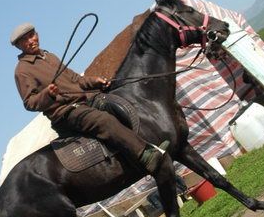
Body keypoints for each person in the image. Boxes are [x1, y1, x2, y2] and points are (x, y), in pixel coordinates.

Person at [11, 22, 169, 175]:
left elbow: (75, 79)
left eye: (32, 35)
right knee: (104, 121)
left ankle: (146, 143)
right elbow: (29, 103)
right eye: (25, 40)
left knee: (120, 100)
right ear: (19, 46)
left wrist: (95, 80)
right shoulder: (22, 70)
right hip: (66, 113)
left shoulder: (50, 56)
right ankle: (145, 156)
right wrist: (47, 94)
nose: (31, 41)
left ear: (37, 35)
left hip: (85, 100)